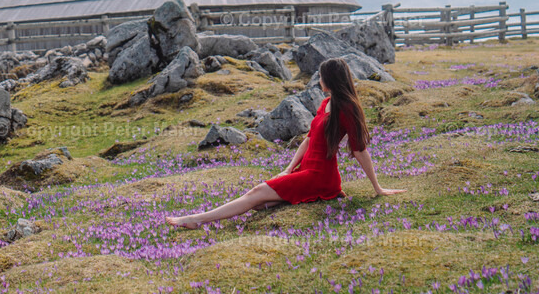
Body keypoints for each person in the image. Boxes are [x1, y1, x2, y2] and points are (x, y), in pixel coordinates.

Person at [167, 57, 406, 229]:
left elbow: (360, 151)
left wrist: (378, 187)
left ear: (330, 79)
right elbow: (309, 140)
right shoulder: (326, 104)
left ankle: (196, 219)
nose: (319, 80)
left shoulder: (347, 108)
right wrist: (289, 169)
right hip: (306, 171)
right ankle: (269, 201)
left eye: (321, 76)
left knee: (256, 192)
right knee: (259, 203)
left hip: (320, 177)